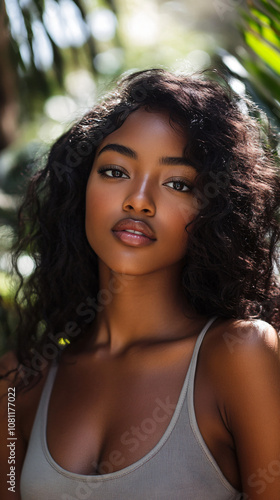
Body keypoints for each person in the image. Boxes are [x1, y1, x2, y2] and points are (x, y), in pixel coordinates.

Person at [0, 68, 280, 500]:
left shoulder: (238, 354)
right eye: (115, 171)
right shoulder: (20, 384)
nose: (139, 199)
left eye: (177, 183)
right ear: (82, 187)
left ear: (214, 211)